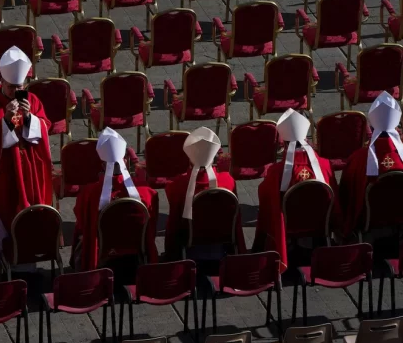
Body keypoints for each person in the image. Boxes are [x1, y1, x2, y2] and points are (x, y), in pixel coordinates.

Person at [0, 46, 53, 264]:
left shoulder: (33, 101)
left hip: (31, 172)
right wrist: (6, 121)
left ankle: (29, 265)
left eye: (19, 87)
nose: (15, 91)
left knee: (30, 222)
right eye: (11, 87)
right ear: (2, 82)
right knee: (5, 219)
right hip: (4, 174)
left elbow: (45, 126)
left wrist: (29, 118)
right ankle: (6, 267)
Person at [252, 109, 340, 271]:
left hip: (291, 226)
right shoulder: (325, 165)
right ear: (306, 139)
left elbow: (266, 199)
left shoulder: (277, 171)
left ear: (284, 143)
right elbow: (335, 198)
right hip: (320, 224)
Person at [72, 128, 159, 271]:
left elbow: (82, 224)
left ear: (102, 165)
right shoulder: (147, 192)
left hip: (103, 253)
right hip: (135, 251)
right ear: (125, 160)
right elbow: (152, 224)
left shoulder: (88, 194)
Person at [164, 127, 245, 257]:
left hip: (190, 240)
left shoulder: (177, 185)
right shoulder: (228, 181)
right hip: (224, 238)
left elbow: (173, 223)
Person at [340, 91, 403, 236]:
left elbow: (346, 195)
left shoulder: (357, 159)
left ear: (372, 129)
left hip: (368, 221)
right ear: (396, 128)